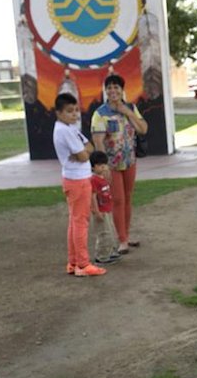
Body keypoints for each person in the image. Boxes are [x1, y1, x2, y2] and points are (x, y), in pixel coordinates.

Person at [91, 74, 148, 255]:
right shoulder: (100, 114)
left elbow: (143, 129)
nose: (113, 91)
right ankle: (122, 239)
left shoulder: (131, 108)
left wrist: (128, 112)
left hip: (129, 160)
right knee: (118, 200)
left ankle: (126, 234)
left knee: (128, 198)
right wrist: (103, 166)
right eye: (109, 88)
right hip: (111, 164)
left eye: (116, 87)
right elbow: (98, 141)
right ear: (105, 91)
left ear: (122, 90)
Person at [52, 93, 107, 277]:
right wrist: (82, 152)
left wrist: (82, 152)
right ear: (59, 113)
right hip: (77, 180)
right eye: (69, 111)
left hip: (75, 178)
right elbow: (85, 155)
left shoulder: (69, 128)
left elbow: (89, 148)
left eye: (76, 110)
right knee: (80, 222)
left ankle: (74, 261)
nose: (74, 115)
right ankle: (82, 264)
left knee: (75, 221)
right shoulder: (65, 131)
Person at [90, 150, 122, 265]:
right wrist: (96, 211)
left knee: (110, 231)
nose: (103, 167)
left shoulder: (102, 178)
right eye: (100, 165)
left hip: (107, 210)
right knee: (104, 233)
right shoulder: (93, 180)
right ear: (93, 167)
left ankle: (109, 252)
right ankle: (101, 256)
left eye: (104, 165)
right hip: (101, 211)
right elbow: (92, 196)